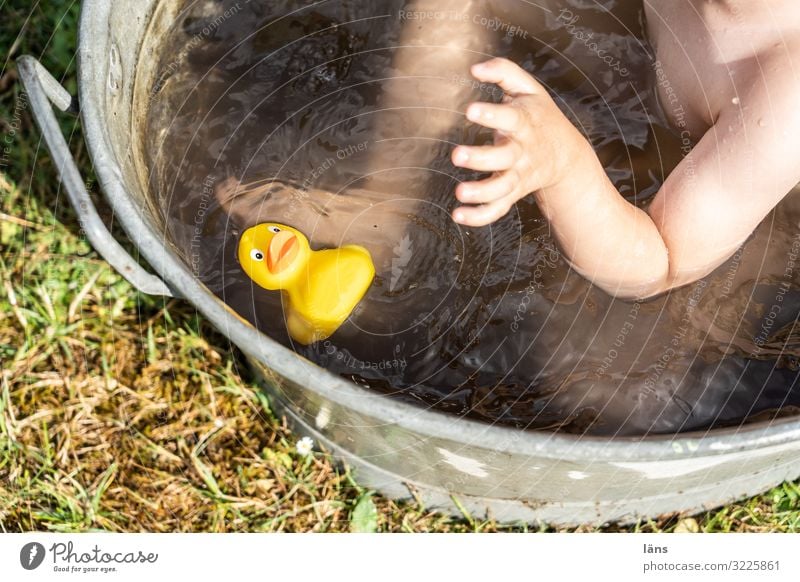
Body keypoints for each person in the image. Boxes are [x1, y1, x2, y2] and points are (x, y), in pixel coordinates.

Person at [450, 0, 800, 299]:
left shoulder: (784, 98)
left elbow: (661, 266)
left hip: (752, 199)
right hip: (646, 72)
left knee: (620, 347)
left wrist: (564, 166)